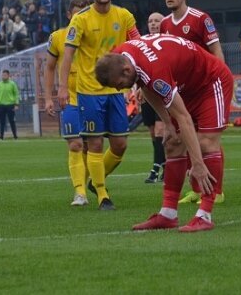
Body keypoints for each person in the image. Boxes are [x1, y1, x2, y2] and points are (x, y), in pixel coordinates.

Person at [95, 33, 233, 232]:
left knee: (206, 144)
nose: (119, 89)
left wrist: (197, 164)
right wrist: (167, 123)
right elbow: (145, 85)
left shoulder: (153, 70)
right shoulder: (121, 56)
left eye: (119, 84)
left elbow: (183, 117)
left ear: (126, 70)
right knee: (172, 143)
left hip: (211, 82)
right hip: (186, 86)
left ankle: (205, 214)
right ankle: (168, 214)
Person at [57, 0, 140, 210]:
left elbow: (137, 45)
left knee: (120, 145)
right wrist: (63, 87)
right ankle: (103, 195)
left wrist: (140, 82)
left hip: (115, 91)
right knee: (94, 144)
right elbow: (68, 55)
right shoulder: (80, 19)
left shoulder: (124, 16)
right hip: (89, 92)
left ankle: (95, 179)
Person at [159, 0, 225, 204]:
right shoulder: (164, 24)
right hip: (183, 90)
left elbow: (216, 50)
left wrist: (218, 80)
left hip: (206, 85)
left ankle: (217, 191)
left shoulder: (200, 19)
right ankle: (197, 189)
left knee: (208, 139)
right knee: (183, 139)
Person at [44, 0, 91, 206]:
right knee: (75, 144)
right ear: (69, 15)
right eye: (76, 13)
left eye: (84, 12)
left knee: (92, 146)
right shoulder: (57, 37)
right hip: (69, 97)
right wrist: (48, 97)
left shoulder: (95, 35)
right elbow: (50, 68)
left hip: (93, 95)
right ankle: (79, 192)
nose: (80, 16)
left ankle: (92, 184)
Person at [140, 12, 166, 183]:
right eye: (150, 21)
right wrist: (138, 88)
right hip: (146, 93)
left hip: (163, 93)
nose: (153, 24)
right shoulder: (142, 42)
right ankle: (165, 165)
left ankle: (156, 168)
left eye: (157, 21)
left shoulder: (168, 42)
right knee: (152, 132)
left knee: (160, 130)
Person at [0, 69, 20, 140]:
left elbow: (16, 94)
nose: (3, 76)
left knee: (12, 121)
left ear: (8, 76)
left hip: (10, 105)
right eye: (2, 75)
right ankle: (1, 136)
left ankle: (15, 136)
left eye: (5, 75)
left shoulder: (12, 84)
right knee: (2, 122)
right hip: (1, 105)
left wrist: (16, 104)